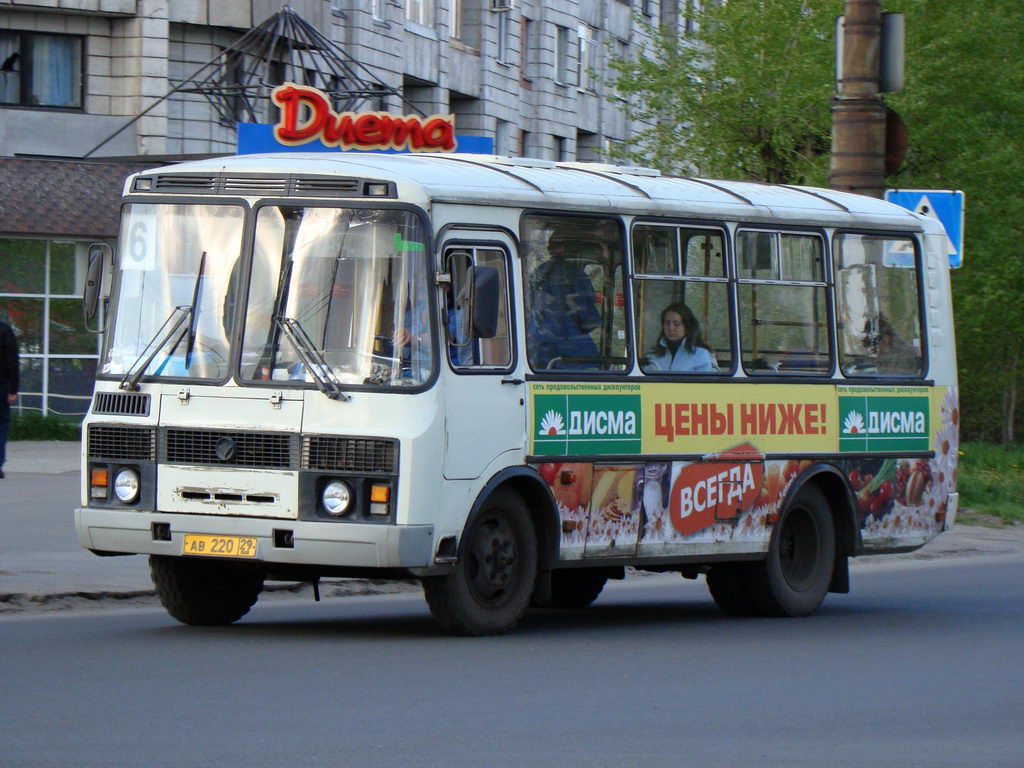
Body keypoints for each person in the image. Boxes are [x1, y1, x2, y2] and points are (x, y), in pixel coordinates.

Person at [644, 302, 716, 373]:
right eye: (667, 323)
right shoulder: (654, 353)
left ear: (687, 326)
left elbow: (707, 383)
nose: (671, 328)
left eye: (676, 324)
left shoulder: (701, 354)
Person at [0, 319, 19, 479]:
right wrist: (13, 388)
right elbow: (12, 360)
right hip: (1, 385)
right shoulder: (4, 330)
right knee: (1, 424)